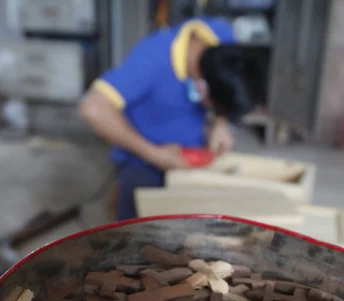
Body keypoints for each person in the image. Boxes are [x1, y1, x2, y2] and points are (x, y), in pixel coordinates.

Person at [80, 17, 262, 221]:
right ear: (202, 87)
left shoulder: (221, 37)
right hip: (142, 156)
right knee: (134, 228)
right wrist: (155, 155)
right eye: (216, 106)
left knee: (195, 218)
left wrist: (221, 122)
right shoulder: (151, 60)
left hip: (190, 151)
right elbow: (93, 108)